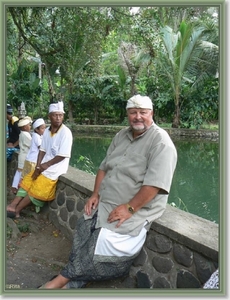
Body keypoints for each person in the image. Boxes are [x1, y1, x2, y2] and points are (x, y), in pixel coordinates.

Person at [38, 94, 178, 289]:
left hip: (135, 208)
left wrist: (129, 208)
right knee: (84, 226)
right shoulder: (121, 135)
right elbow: (104, 167)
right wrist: (95, 194)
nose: (138, 117)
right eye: (133, 113)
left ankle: (57, 283)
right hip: (105, 202)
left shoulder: (161, 143)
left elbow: (154, 185)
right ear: (127, 114)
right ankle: (72, 282)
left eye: (142, 113)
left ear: (151, 113)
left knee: (99, 245)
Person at [6, 101, 73, 218]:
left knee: (38, 188)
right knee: (28, 180)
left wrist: (45, 165)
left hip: (56, 168)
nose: (58, 118)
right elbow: (42, 150)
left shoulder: (66, 133)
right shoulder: (47, 131)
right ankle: (13, 204)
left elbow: (62, 155)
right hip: (43, 165)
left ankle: (17, 210)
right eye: (55, 115)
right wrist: (38, 166)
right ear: (49, 116)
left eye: (60, 115)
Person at [11, 116, 32, 194]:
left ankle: (15, 187)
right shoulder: (26, 135)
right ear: (25, 127)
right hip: (24, 156)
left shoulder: (22, 133)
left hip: (22, 155)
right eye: (29, 125)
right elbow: (32, 144)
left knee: (19, 172)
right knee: (21, 173)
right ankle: (16, 187)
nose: (30, 126)